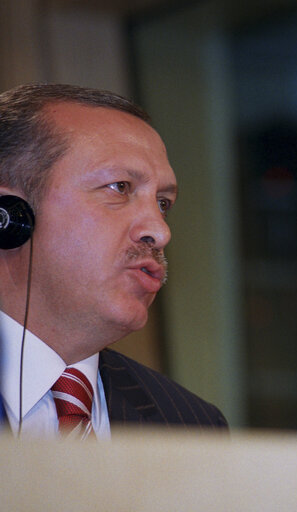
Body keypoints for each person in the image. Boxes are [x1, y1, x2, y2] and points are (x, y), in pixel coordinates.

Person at [0, 82, 227, 439]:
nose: (160, 232)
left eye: (163, 203)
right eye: (120, 187)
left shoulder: (191, 424)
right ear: (10, 216)